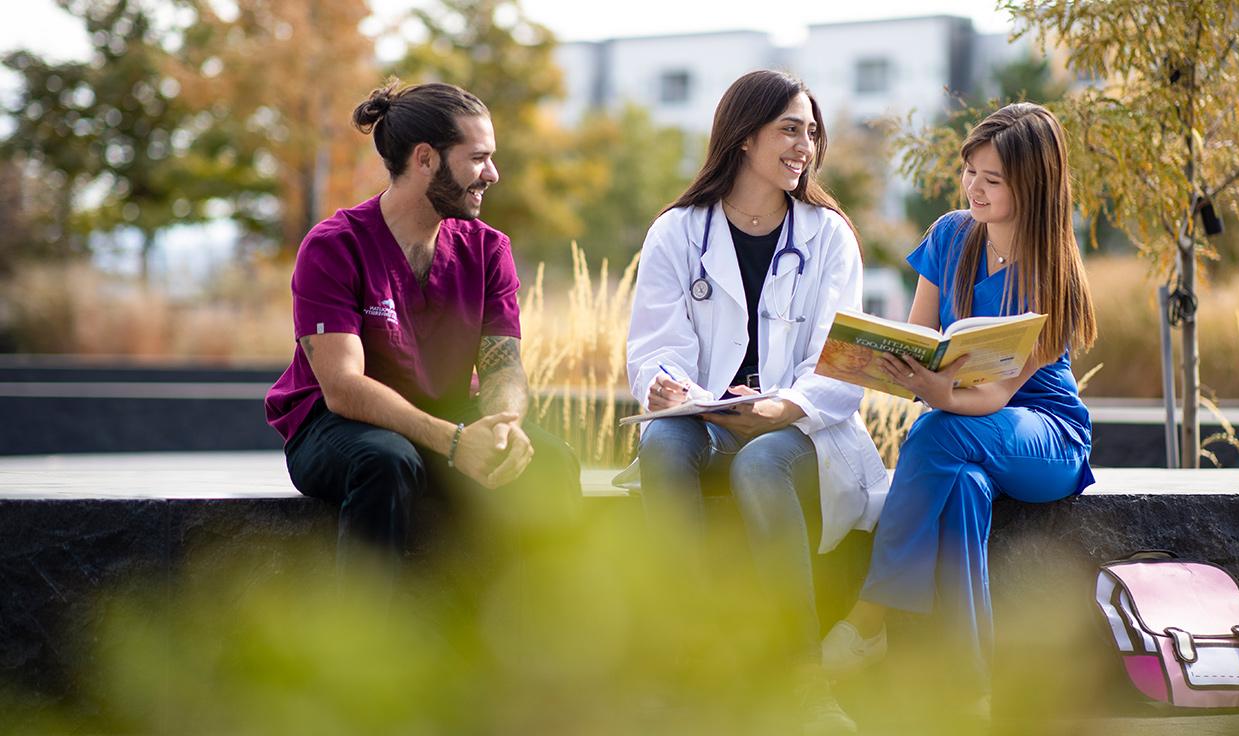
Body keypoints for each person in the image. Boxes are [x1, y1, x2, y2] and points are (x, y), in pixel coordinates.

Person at [625, 69, 889, 734]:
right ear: (744, 137)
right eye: (790, 130)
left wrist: (785, 408)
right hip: (707, 420)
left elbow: (842, 362)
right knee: (662, 442)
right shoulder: (678, 231)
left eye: (812, 132)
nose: (806, 145)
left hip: (803, 431)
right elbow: (655, 345)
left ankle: (801, 684)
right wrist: (671, 388)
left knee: (760, 464)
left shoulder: (828, 236)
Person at [819, 103, 1098, 705]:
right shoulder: (949, 235)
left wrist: (939, 394)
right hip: (964, 429)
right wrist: (894, 363)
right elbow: (921, 337)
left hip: (1045, 438)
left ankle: (869, 619)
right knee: (964, 488)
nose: (974, 187)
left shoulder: (1054, 271)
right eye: (970, 171)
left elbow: (998, 393)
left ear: (1034, 185)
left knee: (935, 435)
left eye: (992, 179)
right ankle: (974, 691)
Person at [263, 80, 580, 572]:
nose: (492, 174)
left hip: (447, 417)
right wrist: (455, 443)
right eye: (477, 158)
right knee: (386, 461)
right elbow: (343, 389)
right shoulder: (333, 246)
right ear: (426, 158)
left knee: (549, 462)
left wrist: (501, 428)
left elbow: (504, 368)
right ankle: (364, 639)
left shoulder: (487, 248)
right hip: (337, 428)